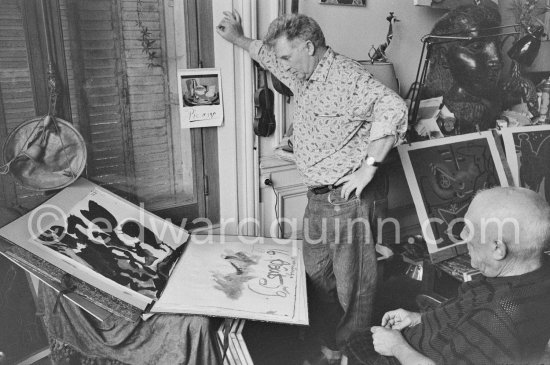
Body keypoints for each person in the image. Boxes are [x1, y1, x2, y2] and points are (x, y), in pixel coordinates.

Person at [216, 10, 407, 363]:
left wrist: (367, 169)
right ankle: (329, 342)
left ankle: (351, 352)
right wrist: (238, 39)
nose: (284, 63)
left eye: (289, 55)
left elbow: (394, 108)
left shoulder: (345, 76)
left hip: (345, 201)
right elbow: (270, 58)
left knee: (355, 287)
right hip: (317, 199)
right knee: (317, 273)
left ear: (308, 46)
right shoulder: (305, 72)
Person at [345, 187, 550, 365]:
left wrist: (396, 347)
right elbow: (467, 312)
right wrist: (419, 319)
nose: (462, 236)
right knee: (359, 338)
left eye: (469, 230)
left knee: (354, 343)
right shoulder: (532, 271)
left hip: (406, 356)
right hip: (427, 338)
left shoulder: (495, 319)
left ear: (498, 248)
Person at [423, 5, 503, 134]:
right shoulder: (440, 108)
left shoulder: (492, 102)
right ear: (443, 56)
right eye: (477, 46)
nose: (497, 59)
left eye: (498, 45)